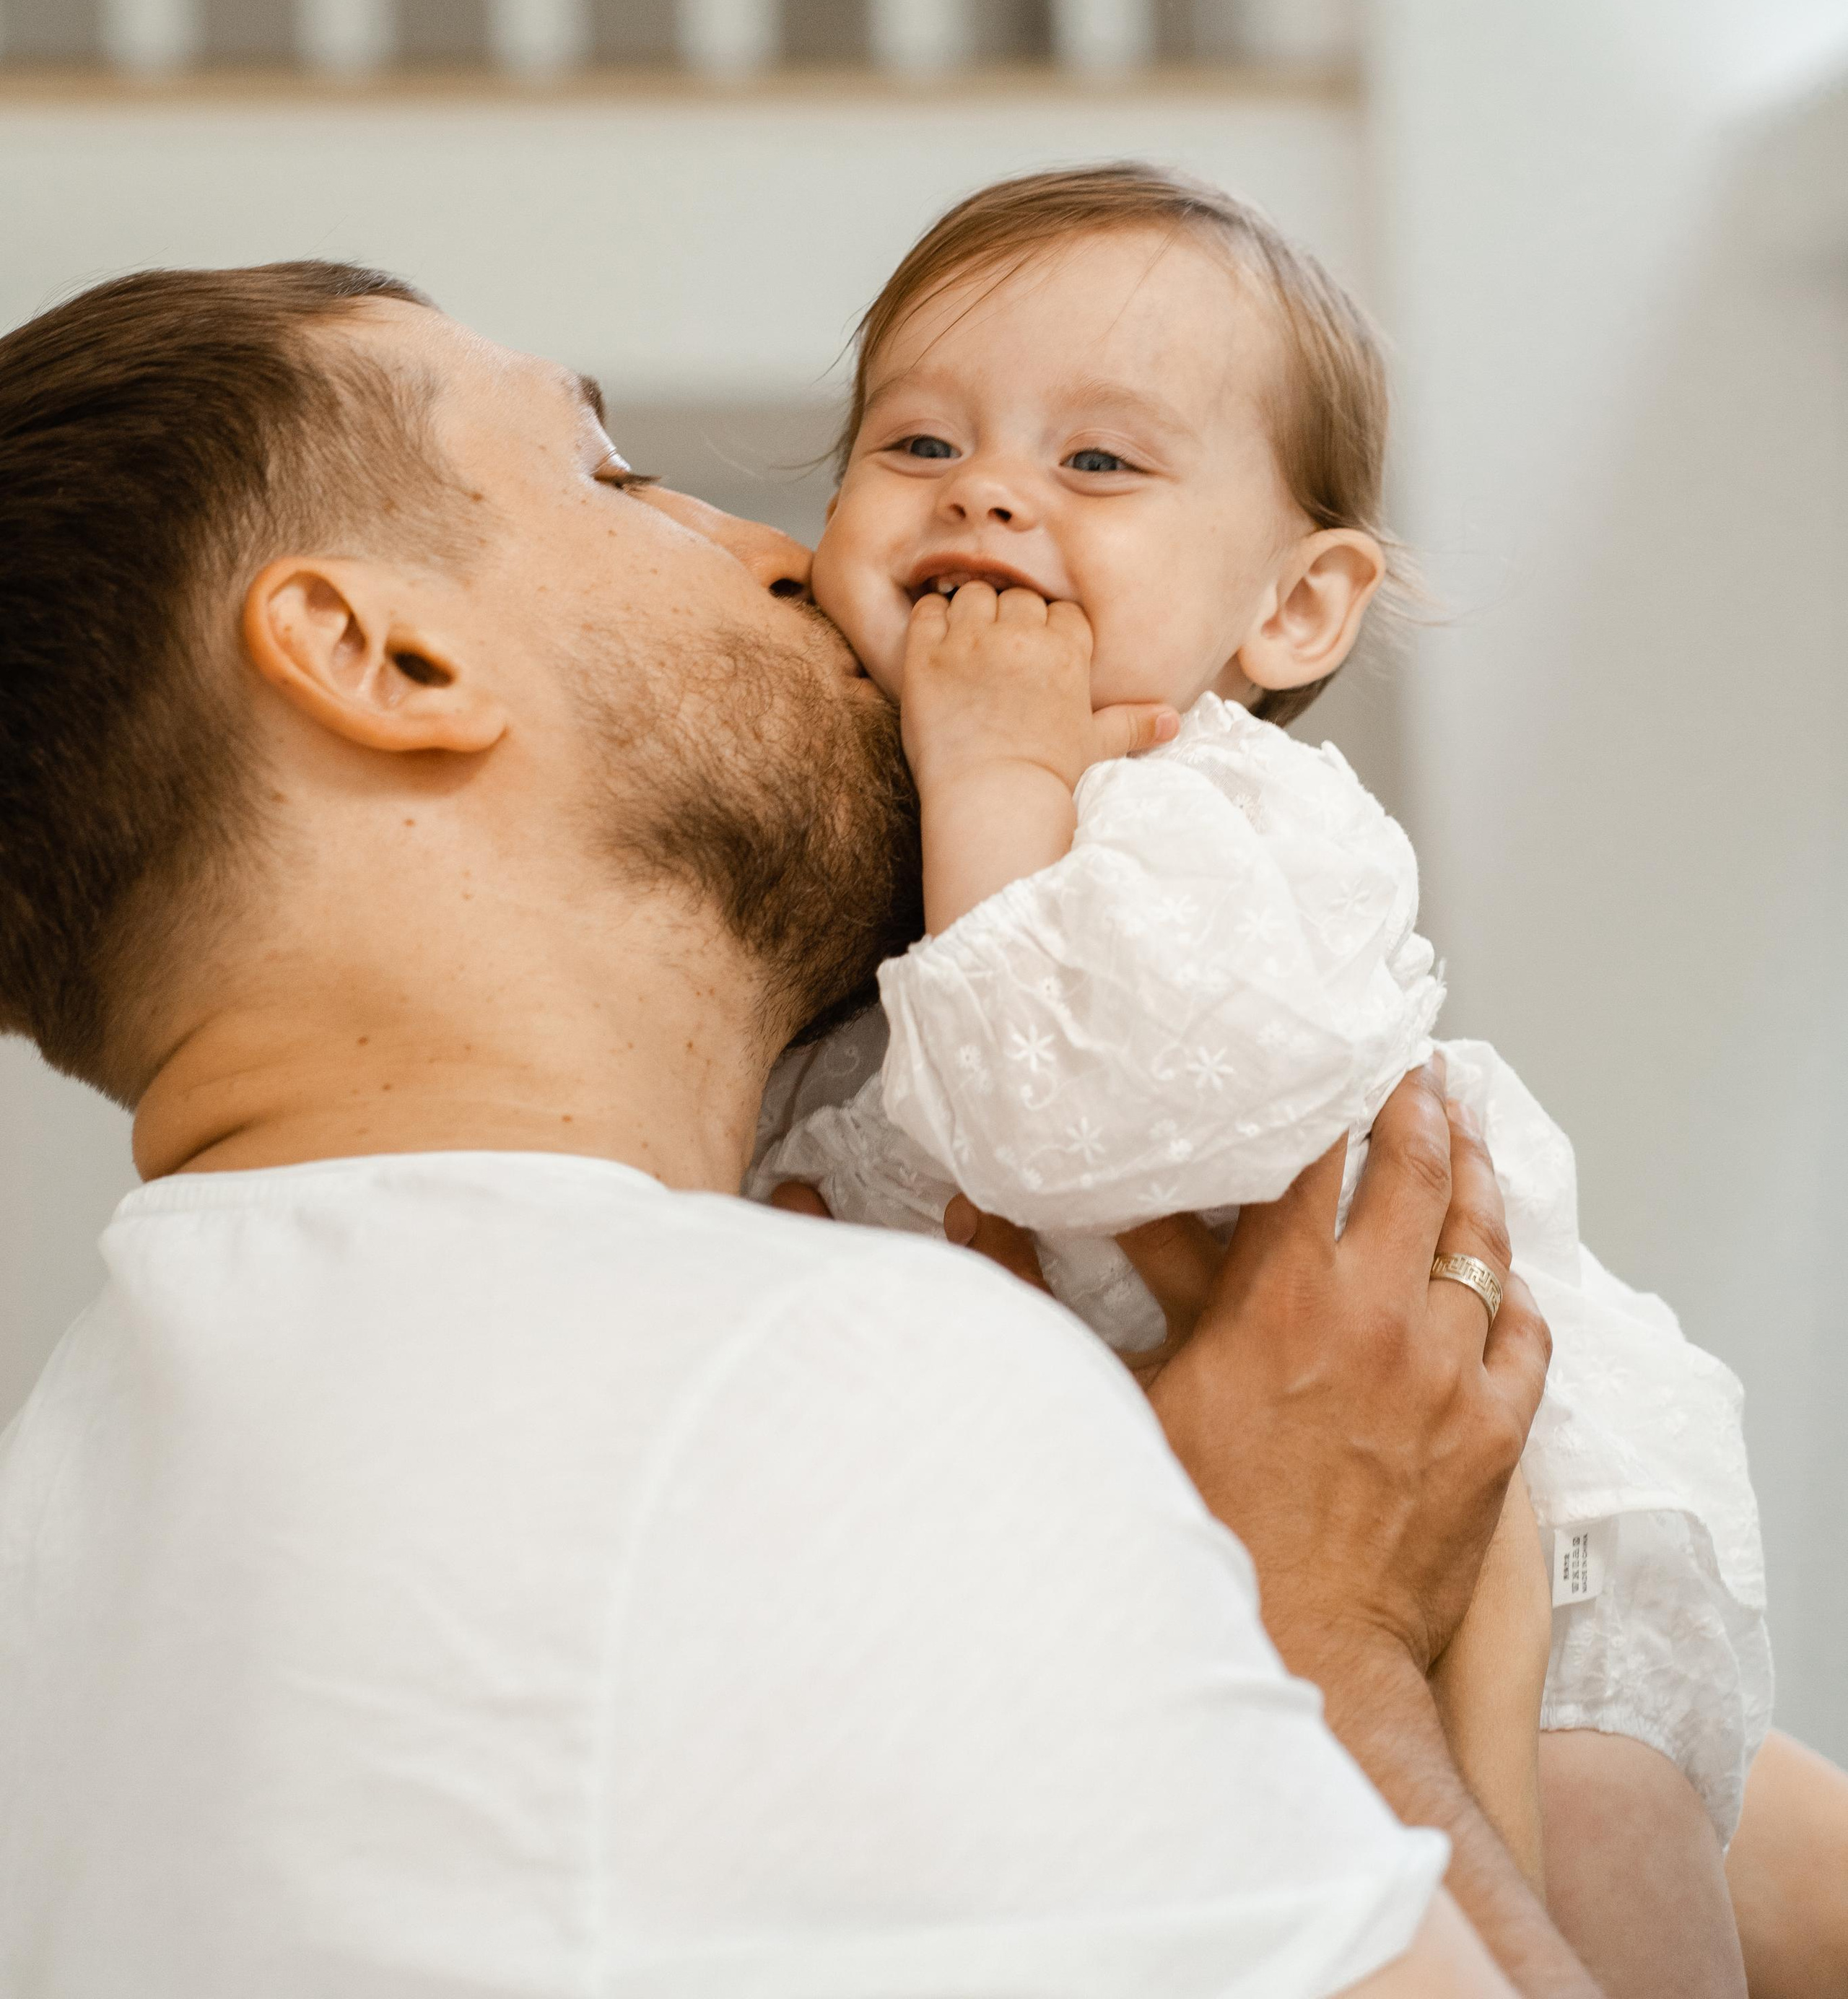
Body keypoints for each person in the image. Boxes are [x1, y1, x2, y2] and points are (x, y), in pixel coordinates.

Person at [0, 261, 1591, 1998]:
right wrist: (1324, 1630)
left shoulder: (72, 1521)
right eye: (612, 482)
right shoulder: (817, 1388)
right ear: (386, 655)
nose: (786, 556)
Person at [738, 165, 1795, 1980]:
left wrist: (1000, 771)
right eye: (914, 444)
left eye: (1098, 466)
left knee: (1597, 1894)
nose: (985, 490)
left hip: (1510, 1515)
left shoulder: (1224, 821)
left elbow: (1064, 1132)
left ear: (1296, 612)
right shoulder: (868, 836)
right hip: (1206, 1535)